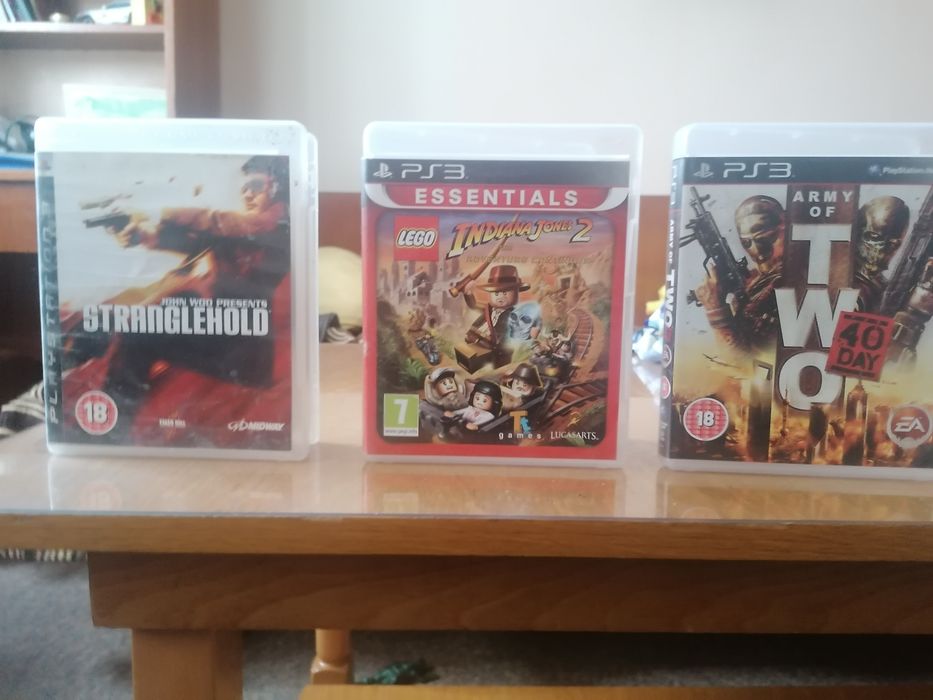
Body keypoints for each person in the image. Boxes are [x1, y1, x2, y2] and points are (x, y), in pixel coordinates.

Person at [103, 155, 291, 424]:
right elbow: (196, 239)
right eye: (244, 188)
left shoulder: (281, 225)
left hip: (243, 353)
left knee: (138, 330)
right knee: (138, 317)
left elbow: (220, 222)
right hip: (220, 331)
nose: (248, 194)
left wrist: (158, 209)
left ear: (278, 190)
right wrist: (141, 235)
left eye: (257, 186)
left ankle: (111, 427)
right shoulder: (237, 229)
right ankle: (110, 419)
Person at [694, 195, 786, 352]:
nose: (758, 252)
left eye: (765, 238)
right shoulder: (754, 282)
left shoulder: (789, 285)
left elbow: (743, 360)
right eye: (746, 243)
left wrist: (715, 310)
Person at [460, 265, 530, 368]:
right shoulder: (488, 308)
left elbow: (503, 340)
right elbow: (473, 305)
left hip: (498, 353)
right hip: (476, 344)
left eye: (505, 293)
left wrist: (479, 340)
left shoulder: (513, 315)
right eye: (496, 293)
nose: (500, 297)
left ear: (516, 293)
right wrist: (468, 292)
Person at [852, 196, 910, 312]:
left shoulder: (885, 288)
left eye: (892, 244)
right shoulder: (845, 281)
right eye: (874, 238)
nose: (882, 249)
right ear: (857, 234)